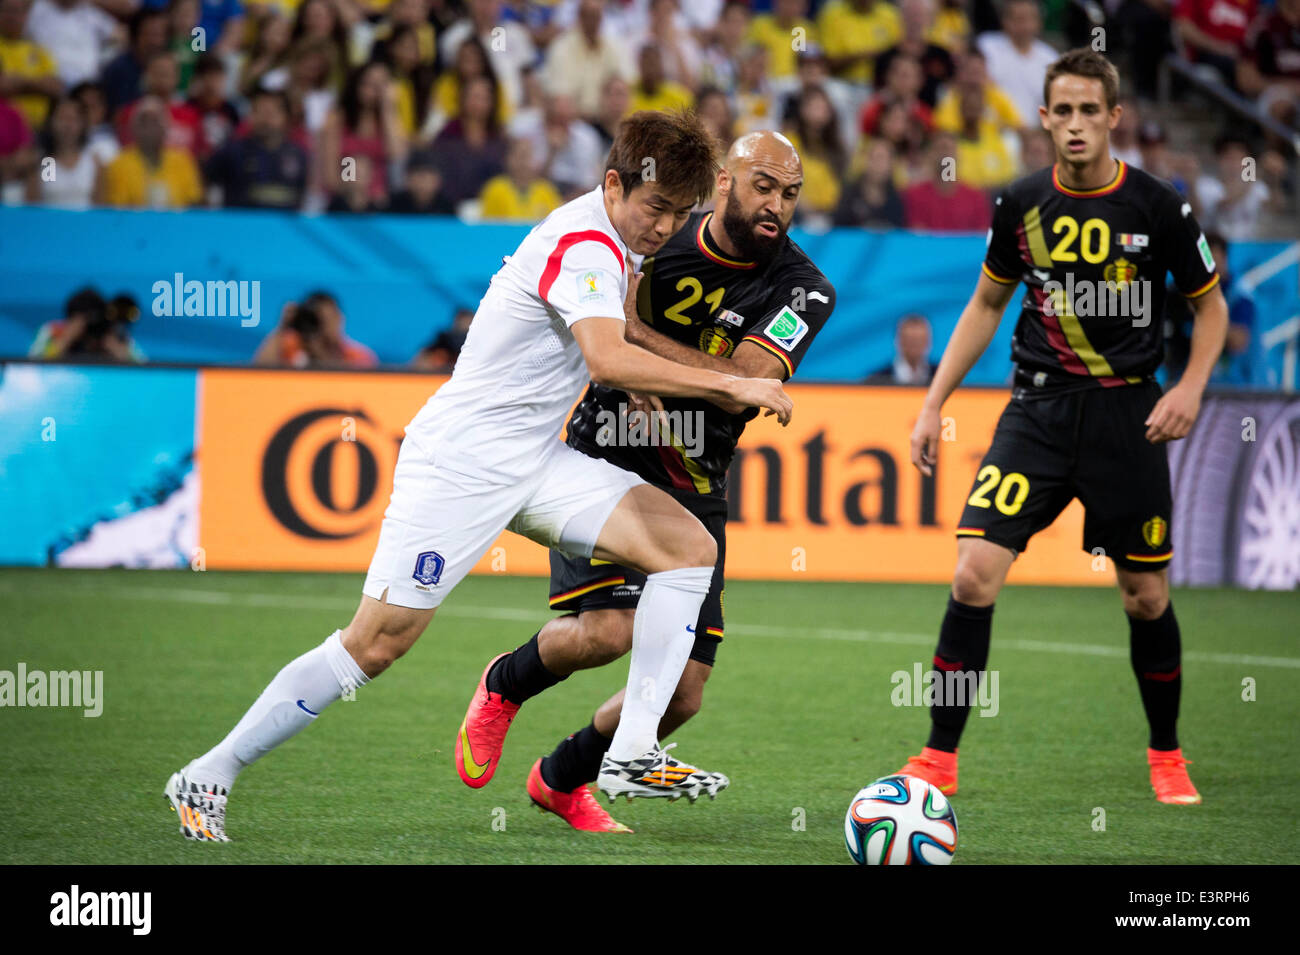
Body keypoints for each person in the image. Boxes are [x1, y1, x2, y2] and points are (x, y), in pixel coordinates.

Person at [164, 111, 794, 842]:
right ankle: (209, 771)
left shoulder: (616, 237)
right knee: (375, 644)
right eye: (656, 208)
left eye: (681, 214)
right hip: (460, 464)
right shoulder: (588, 240)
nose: (664, 227)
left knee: (688, 547)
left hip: (533, 459)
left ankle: (629, 751)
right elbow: (607, 358)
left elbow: (617, 316)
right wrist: (733, 386)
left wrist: (651, 385)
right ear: (614, 183)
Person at [457, 130, 834, 832]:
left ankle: (562, 778)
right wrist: (621, 344)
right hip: (610, 450)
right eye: (762, 186)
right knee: (605, 631)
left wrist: (637, 336)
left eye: (790, 193)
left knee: (683, 695)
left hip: (696, 477)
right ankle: (504, 682)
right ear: (724, 182)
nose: (775, 204)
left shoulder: (805, 288)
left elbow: (745, 384)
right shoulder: (656, 232)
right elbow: (597, 330)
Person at [897, 49, 1229, 806]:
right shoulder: (1018, 203)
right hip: (1037, 412)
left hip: (1128, 418)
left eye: (1090, 110)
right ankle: (937, 758)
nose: (1076, 125)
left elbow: (1209, 307)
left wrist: (1191, 387)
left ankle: (1167, 753)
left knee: (1144, 595)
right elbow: (986, 306)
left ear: (1114, 118)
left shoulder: (1159, 207)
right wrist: (931, 401)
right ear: (1043, 118)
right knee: (972, 572)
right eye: (1063, 111)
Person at [205, 87, 308, 210]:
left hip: (283, 227)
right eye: (258, 112)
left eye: (271, 113)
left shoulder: (299, 156)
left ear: (286, 117)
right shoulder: (232, 152)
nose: (265, 119)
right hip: (241, 225)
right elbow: (203, 181)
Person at [252, 290, 378, 368]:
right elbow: (259, 371)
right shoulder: (290, 349)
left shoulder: (357, 356)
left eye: (327, 319)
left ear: (340, 319)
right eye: (318, 319)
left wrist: (323, 351)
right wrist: (281, 328)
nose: (322, 325)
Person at [29, 287, 145, 362]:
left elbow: (148, 372)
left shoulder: (117, 336)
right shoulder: (52, 331)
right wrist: (64, 341)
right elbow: (28, 370)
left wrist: (120, 354)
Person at [866, 313, 935, 383]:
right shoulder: (877, 380)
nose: (915, 346)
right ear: (898, 340)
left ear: (929, 341)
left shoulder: (938, 377)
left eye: (920, 340)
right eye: (911, 340)